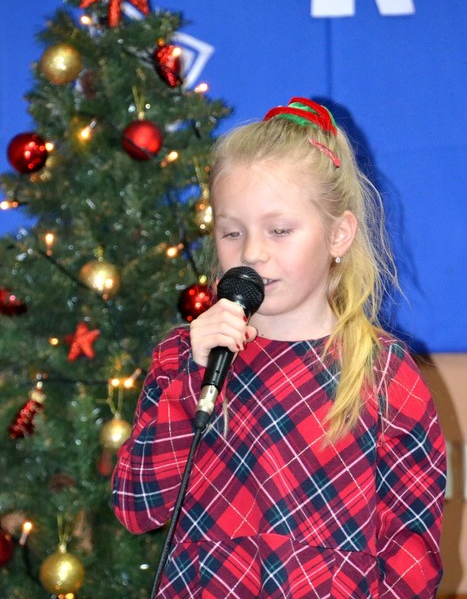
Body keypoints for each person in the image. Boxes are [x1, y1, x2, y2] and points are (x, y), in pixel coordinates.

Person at [112, 97, 446, 598]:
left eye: (279, 230)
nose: (251, 253)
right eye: (232, 232)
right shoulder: (186, 356)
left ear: (338, 234)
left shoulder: (384, 374)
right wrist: (192, 380)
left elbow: (412, 554)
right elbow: (137, 507)